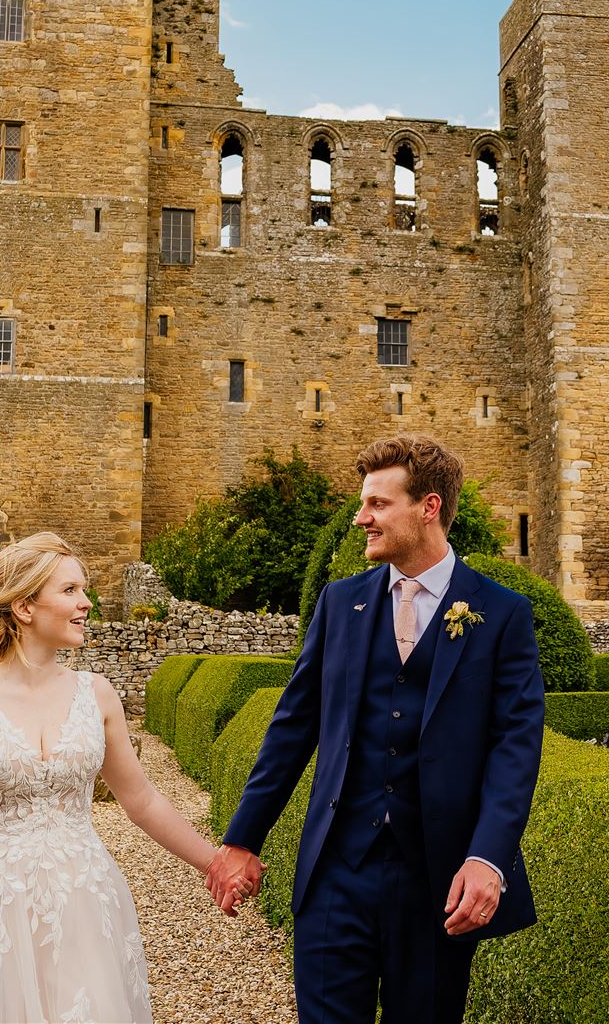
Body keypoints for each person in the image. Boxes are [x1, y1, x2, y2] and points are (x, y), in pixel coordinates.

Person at [208, 435, 545, 1024]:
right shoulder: (340, 603)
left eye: (377, 505)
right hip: (337, 875)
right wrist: (242, 840)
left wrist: (488, 859)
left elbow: (515, 745)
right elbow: (292, 727)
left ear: (429, 507)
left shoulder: (503, 613)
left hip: (438, 884)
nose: (361, 518)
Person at [0, 531, 240, 1023]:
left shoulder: (99, 694)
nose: (87, 604)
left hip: (82, 899)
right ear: (24, 607)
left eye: (83, 590)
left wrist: (214, 862)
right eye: (70, 591)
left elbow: (142, 800)